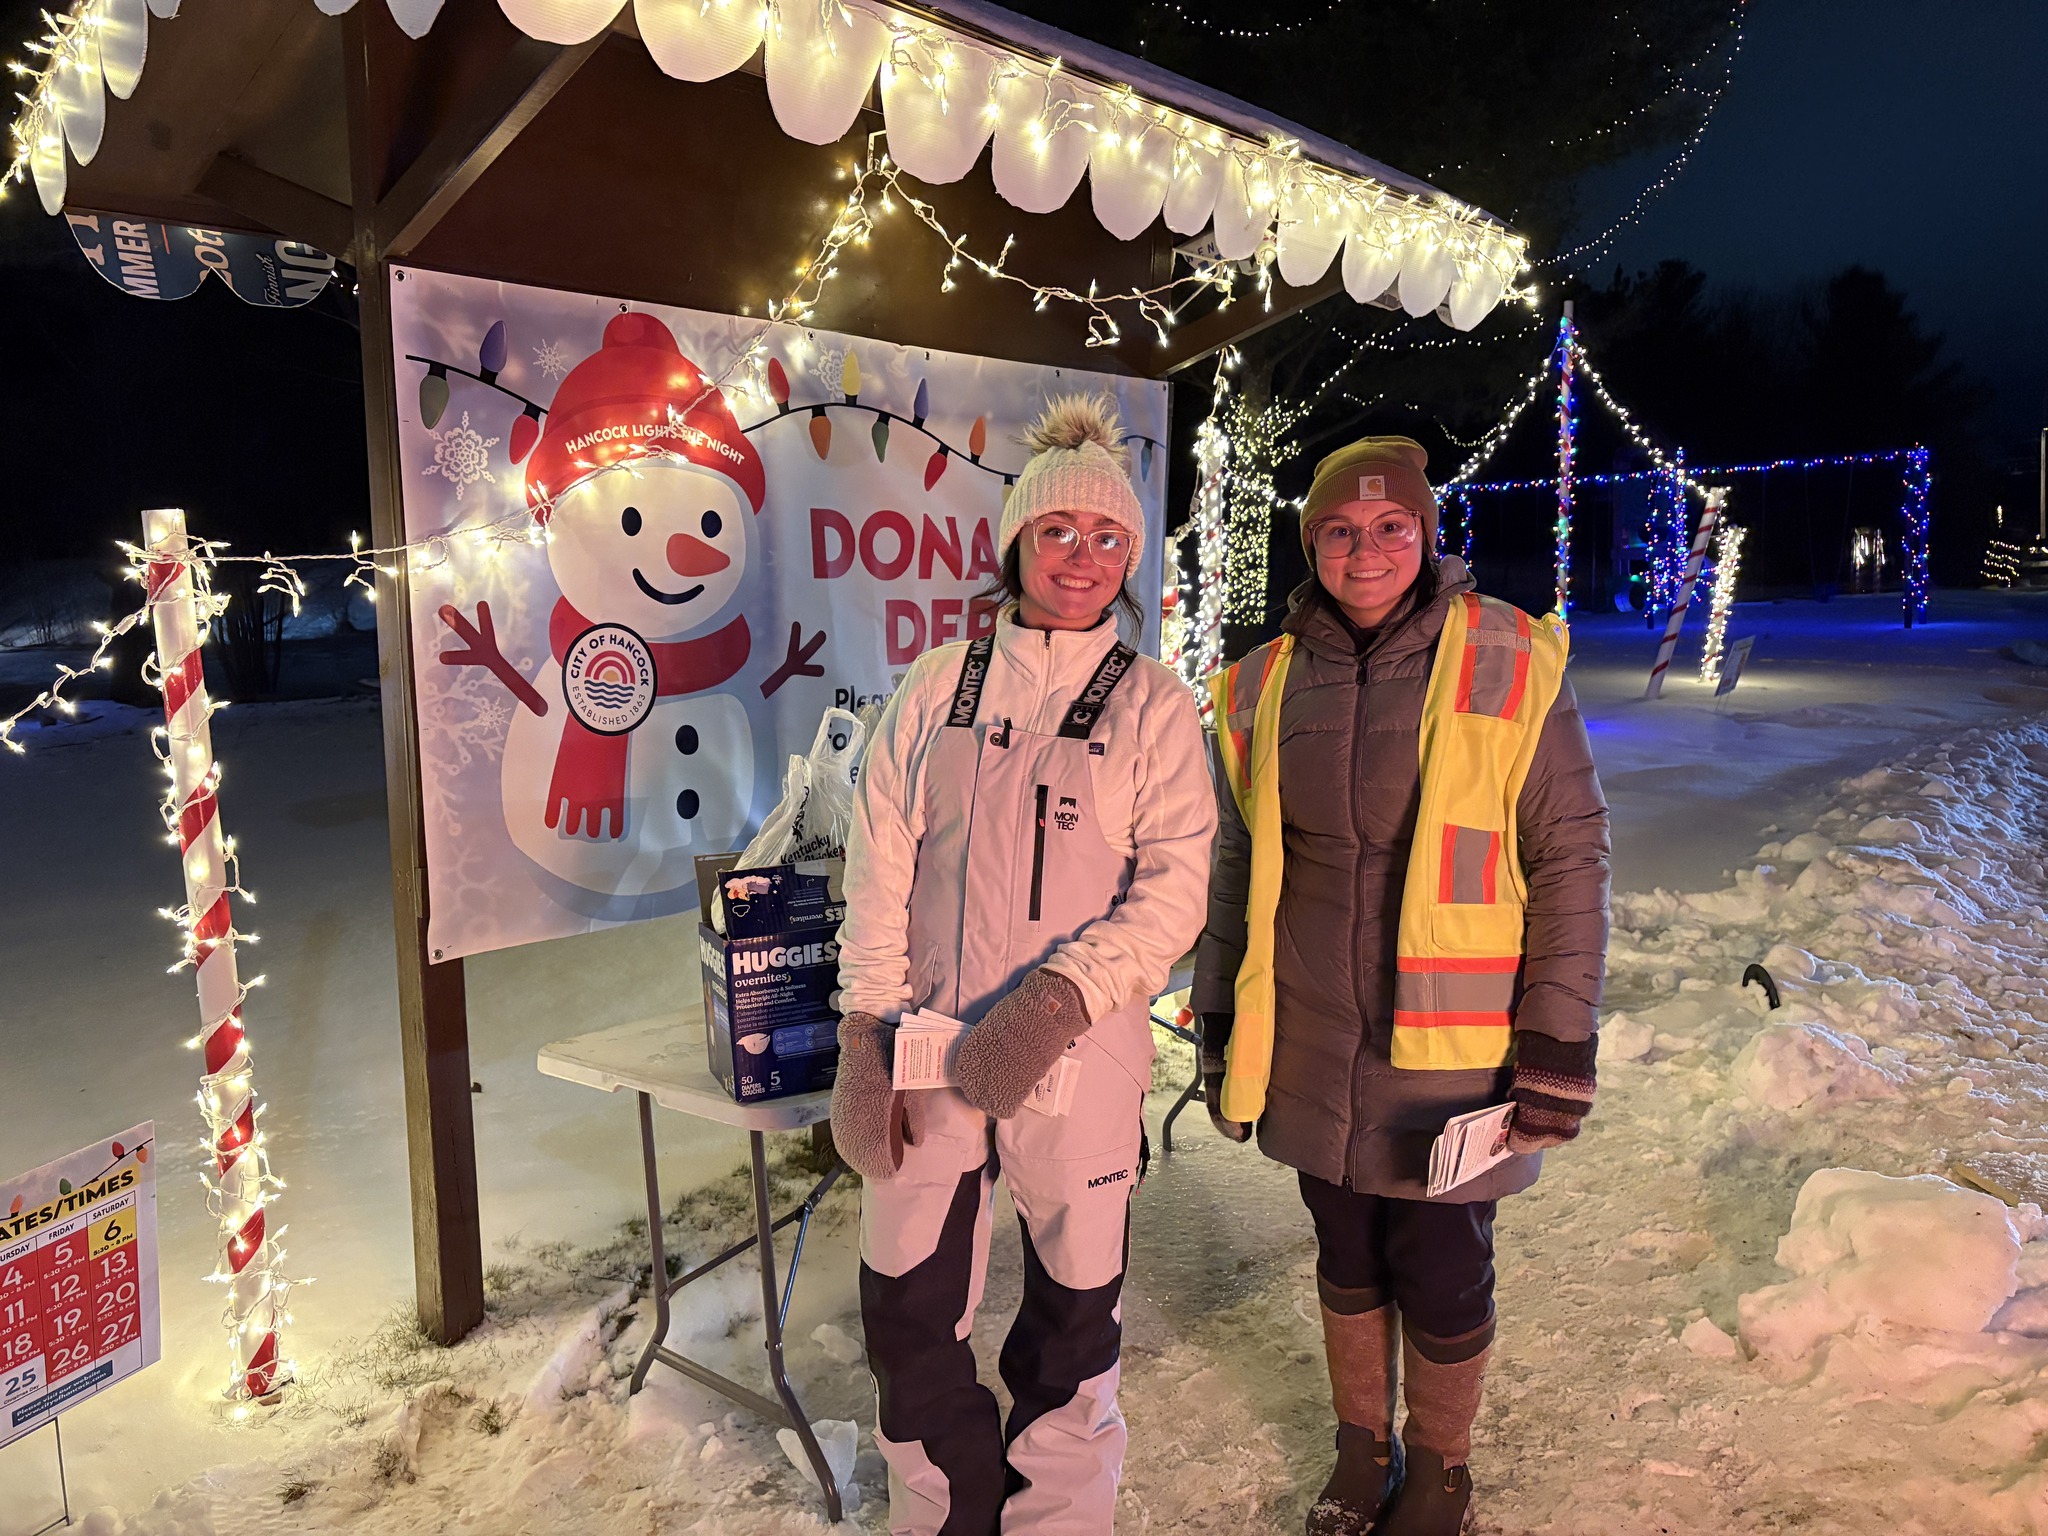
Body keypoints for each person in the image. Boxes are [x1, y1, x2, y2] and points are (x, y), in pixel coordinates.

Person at [1195, 437, 1610, 1536]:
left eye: (1390, 528)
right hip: (1311, 1033)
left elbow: (1569, 852)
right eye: (1339, 530)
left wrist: (1556, 1041)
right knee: (1342, 1250)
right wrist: (1220, 1010)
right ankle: (1357, 1450)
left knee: (1437, 1262)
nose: (1365, 549)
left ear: (1427, 536)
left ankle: (1439, 1468)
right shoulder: (1256, 682)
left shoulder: (1508, 657)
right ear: (1311, 545)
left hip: (1454, 1047)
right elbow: (1235, 860)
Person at [832, 394, 1216, 1535]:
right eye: (1058, 534)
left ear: (1129, 559)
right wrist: (864, 1033)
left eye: (1106, 539)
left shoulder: (1151, 706)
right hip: (926, 1054)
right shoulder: (939, 684)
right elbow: (877, 865)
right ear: (1016, 543)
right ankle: (947, 1510)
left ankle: (1056, 1520)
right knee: (906, 1312)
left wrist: (1057, 1000)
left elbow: (1174, 889)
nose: (1081, 560)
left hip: (1079, 1063)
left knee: (1071, 1322)